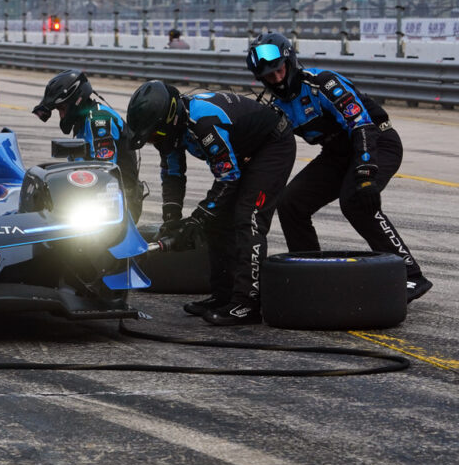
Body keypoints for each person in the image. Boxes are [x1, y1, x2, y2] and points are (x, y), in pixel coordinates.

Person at [246, 32, 433, 302]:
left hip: (376, 141)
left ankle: (411, 274)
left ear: (290, 61)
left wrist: (366, 171)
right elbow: (269, 148)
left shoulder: (323, 82)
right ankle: (309, 271)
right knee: (290, 203)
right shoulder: (277, 107)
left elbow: (362, 124)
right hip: (336, 154)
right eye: (267, 76)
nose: (276, 78)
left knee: (357, 199)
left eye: (279, 70)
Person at [126, 80, 296, 325]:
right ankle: (223, 294)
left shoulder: (204, 124)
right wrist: (171, 219)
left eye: (154, 134)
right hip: (243, 153)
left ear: (168, 120)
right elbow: (172, 174)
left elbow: (228, 177)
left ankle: (248, 303)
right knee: (216, 222)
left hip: (272, 147)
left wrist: (197, 218)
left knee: (248, 219)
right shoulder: (169, 130)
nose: (153, 140)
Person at [32, 69, 143, 221]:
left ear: (76, 100)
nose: (62, 116)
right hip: (99, 199)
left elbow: (103, 174)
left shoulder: (98, 121)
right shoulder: (84, 120)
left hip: (118, 206)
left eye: (62, 109)